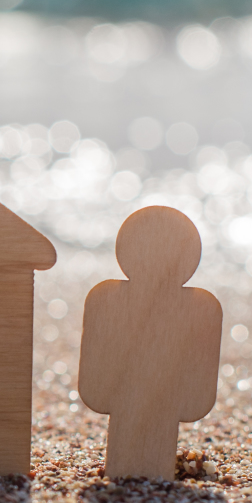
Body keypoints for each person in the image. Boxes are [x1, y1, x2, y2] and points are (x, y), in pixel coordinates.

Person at [78, 205, 223, 480]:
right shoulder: (202, 307)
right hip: (149, 402)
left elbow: (93, 381)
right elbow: (199, 391)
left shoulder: (104, 297)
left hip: (134, 400)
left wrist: (102, 392)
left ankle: (128, 474)